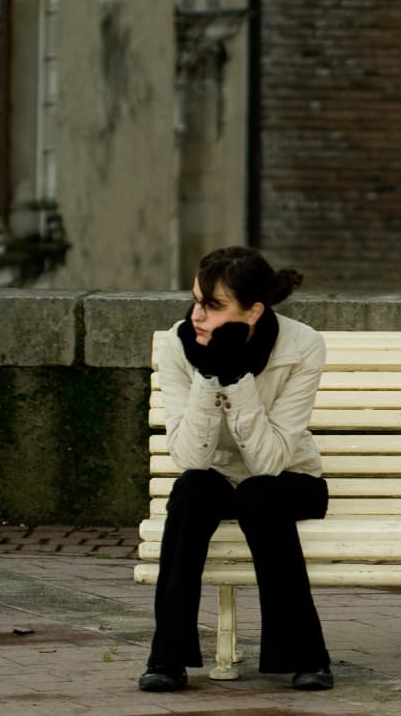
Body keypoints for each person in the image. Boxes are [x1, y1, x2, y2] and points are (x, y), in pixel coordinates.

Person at [139, 246, 333, 693]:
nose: (198, 316)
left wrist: (237, 378)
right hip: (217, 477)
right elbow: (189, 459)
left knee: (259, 494)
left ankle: (306, 656)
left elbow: (270, 462)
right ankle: (166, 658)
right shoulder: (178, 344)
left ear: (254, 311)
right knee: (190, 491)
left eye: (213, 305)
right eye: (196, 300)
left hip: (290, 478)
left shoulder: (302, 346)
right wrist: (209, 375)